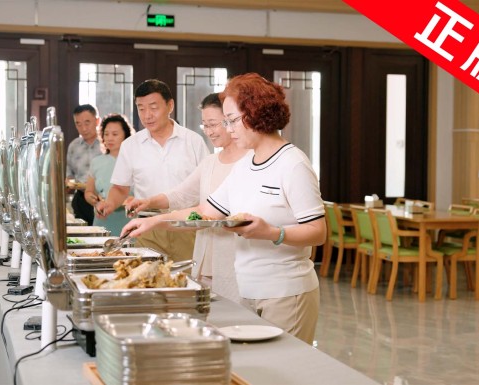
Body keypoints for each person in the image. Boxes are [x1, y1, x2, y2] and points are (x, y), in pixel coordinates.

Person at [122, 73, 326, 344]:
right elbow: (205, 212)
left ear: (256, 114)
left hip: (286, 291)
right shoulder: (245, 165)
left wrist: (272, 233)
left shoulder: (293, 164)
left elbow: (318, 232)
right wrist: (155, 221)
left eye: (231, 120)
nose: (227, 129)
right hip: (248, 288)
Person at [125, 93, 248, 302]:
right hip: (205, 253)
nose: (209, 132)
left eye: (213, 124)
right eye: (204, 125)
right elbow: (182, 194)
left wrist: (154, 221)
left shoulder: (249, 161)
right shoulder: (210, 162)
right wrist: (149, 203)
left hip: (235, 255)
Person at [96, 79, 210, 261]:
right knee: (148, 282)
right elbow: (120, 188)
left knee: (187, 283)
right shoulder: (130, 145)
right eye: (141, 108)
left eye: (153, 107)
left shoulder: (193, 141)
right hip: (147, 226)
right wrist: (109, 204)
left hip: (186, 225)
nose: (147, 115)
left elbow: (207, 186)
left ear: (170, 105)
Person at [84, 113, 135, 235]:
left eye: (115, 134)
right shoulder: (97, 162)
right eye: (106, 134)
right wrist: (96, 202)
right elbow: (89, 192)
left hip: (129, 222)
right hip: (102, 221)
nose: (109, 138)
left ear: (126, 136)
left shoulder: (135, 161)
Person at [66, 104, 102, 225]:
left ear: (97, 121)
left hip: (103, 197)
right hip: (81, 199)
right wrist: (68, 182)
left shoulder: (107, 143)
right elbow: (69, 175)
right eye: (78, 124)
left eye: (87, 123)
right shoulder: (73, 146)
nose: (83, 128)